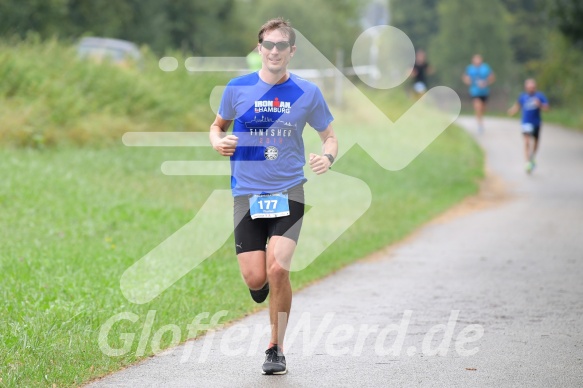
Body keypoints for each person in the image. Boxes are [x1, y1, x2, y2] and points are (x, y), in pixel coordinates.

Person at [209, 17, 337, 375]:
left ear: (291, 51)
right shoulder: (236, 89)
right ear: (259, 49)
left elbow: (330, 136)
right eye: (269, 45)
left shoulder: (307, 92)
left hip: (289, 190)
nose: (275, 51)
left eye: (282, 45)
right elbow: (216, 126)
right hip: (246, 193)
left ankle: (275, 348)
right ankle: (261, 284)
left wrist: (326, 156)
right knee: (256, 278)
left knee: (278, 267)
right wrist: (219, 142)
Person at [507, 78, 549, 173]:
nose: (531, 89)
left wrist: (540, 105)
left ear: (535, 87)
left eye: (533, 87)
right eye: (529, 87)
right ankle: (527, 162)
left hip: (536, 123)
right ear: (526, 88)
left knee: (536, 142)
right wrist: (512, 111)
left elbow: (547, 108)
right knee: (526, 141)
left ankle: (532, 156)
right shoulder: (522, 97)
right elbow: (517, 106)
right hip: (526, 123)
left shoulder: (540, 96)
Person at [462, 54, 495, 133]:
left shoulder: (486, 68)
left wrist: (486, 83)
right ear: (473, 61)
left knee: (483, 109)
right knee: (478, 107)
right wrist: (469, 82)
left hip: (484, 92)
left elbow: (492, 77)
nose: (477, 61)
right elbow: (465, 78)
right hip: (474, 92)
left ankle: (480, 117)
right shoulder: (470, 68)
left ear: (481, 60)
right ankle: (480, 125)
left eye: (478, 60)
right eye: (475, 60)